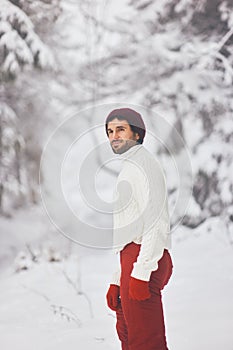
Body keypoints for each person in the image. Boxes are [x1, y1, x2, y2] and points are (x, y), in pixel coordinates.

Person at [105, 107, 173, 350]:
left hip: (146, 259)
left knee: (146, 343)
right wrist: (117, 278)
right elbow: (130, 227)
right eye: (110, 131)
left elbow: (156, 221)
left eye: (120, 129)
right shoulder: (130, 166)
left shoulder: (145, 165)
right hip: (132, 260)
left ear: (137, 133)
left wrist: (142, 272)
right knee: (128, 337)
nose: (114, 136)